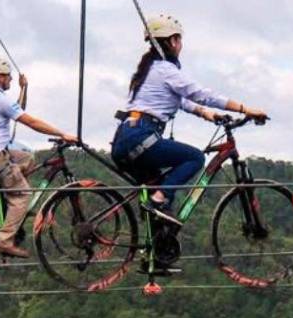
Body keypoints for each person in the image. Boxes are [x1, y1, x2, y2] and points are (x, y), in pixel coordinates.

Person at [111, 13, 267, 227]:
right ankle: (156, 203)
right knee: (194, 158)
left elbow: (181, 100)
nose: (181, 44)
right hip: (141, 137)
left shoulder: (150, 70)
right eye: (179, 39)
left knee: (162, 189)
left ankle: (157, 245)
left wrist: (206, 113)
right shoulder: (166, 70)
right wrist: (245, 109)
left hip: (125, 138)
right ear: (172, 41)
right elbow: (201, 94)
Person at [0, 56, 77, 258]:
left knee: (27, 158)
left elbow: (18, 109)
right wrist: (62, 134)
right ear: (0, 77)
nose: (10, 78)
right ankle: (4, 240)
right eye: (8, 75)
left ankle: (10, 194)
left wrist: (23, 89)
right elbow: (31, 122)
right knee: (23, 195)